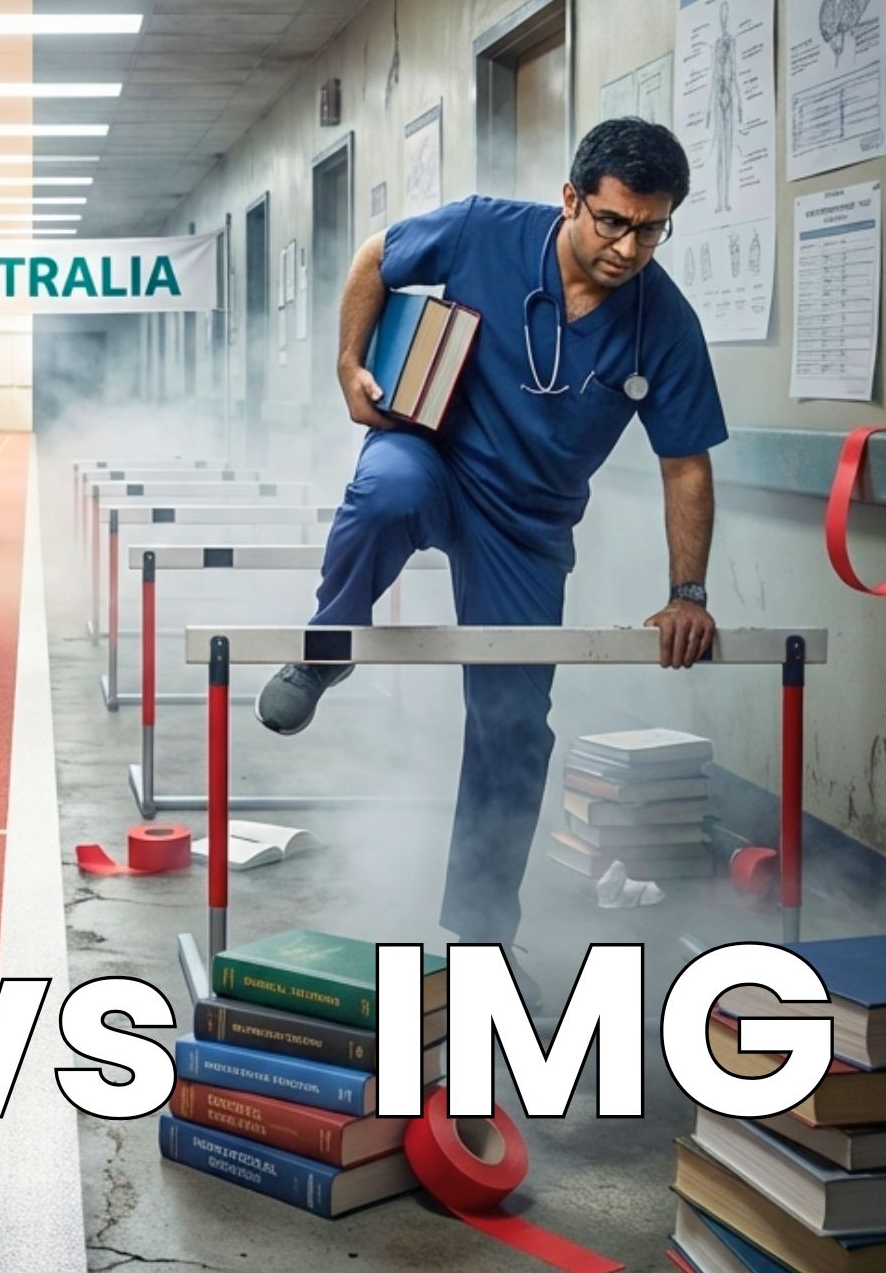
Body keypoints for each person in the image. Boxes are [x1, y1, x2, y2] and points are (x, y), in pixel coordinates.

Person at [258, 118, 725, 979]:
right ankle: (326, 651)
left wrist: (686, 594)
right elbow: (375, 258)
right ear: (572, 199)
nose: (628, 247)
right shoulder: (483, 230)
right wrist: (348, 365)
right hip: (432, 455)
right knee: (383, 490)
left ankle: (478, 929)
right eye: (612, 222)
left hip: (529, 521)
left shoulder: (664, 322)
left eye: (651, 229)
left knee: (513, 726)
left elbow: (684, 463)